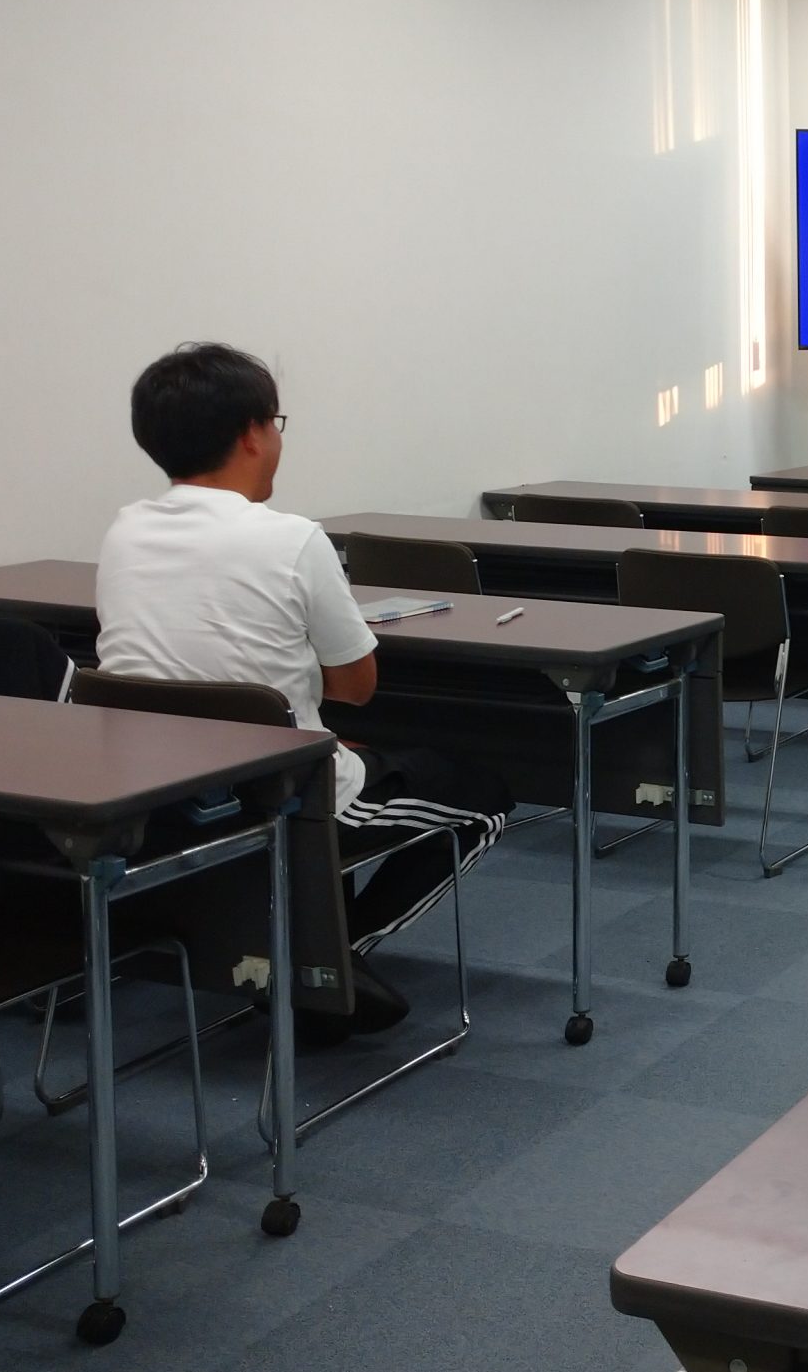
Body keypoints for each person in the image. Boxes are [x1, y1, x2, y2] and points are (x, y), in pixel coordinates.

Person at [94, 343, 507, 1033]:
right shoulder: (293, 540)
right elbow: (357, 685)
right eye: (276, 423)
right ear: (252, 434)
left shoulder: (125, 531)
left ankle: (304, 949)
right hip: (283, 793)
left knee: (339, 745)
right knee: (483, 799)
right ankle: (323, 960)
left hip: (163, 797)